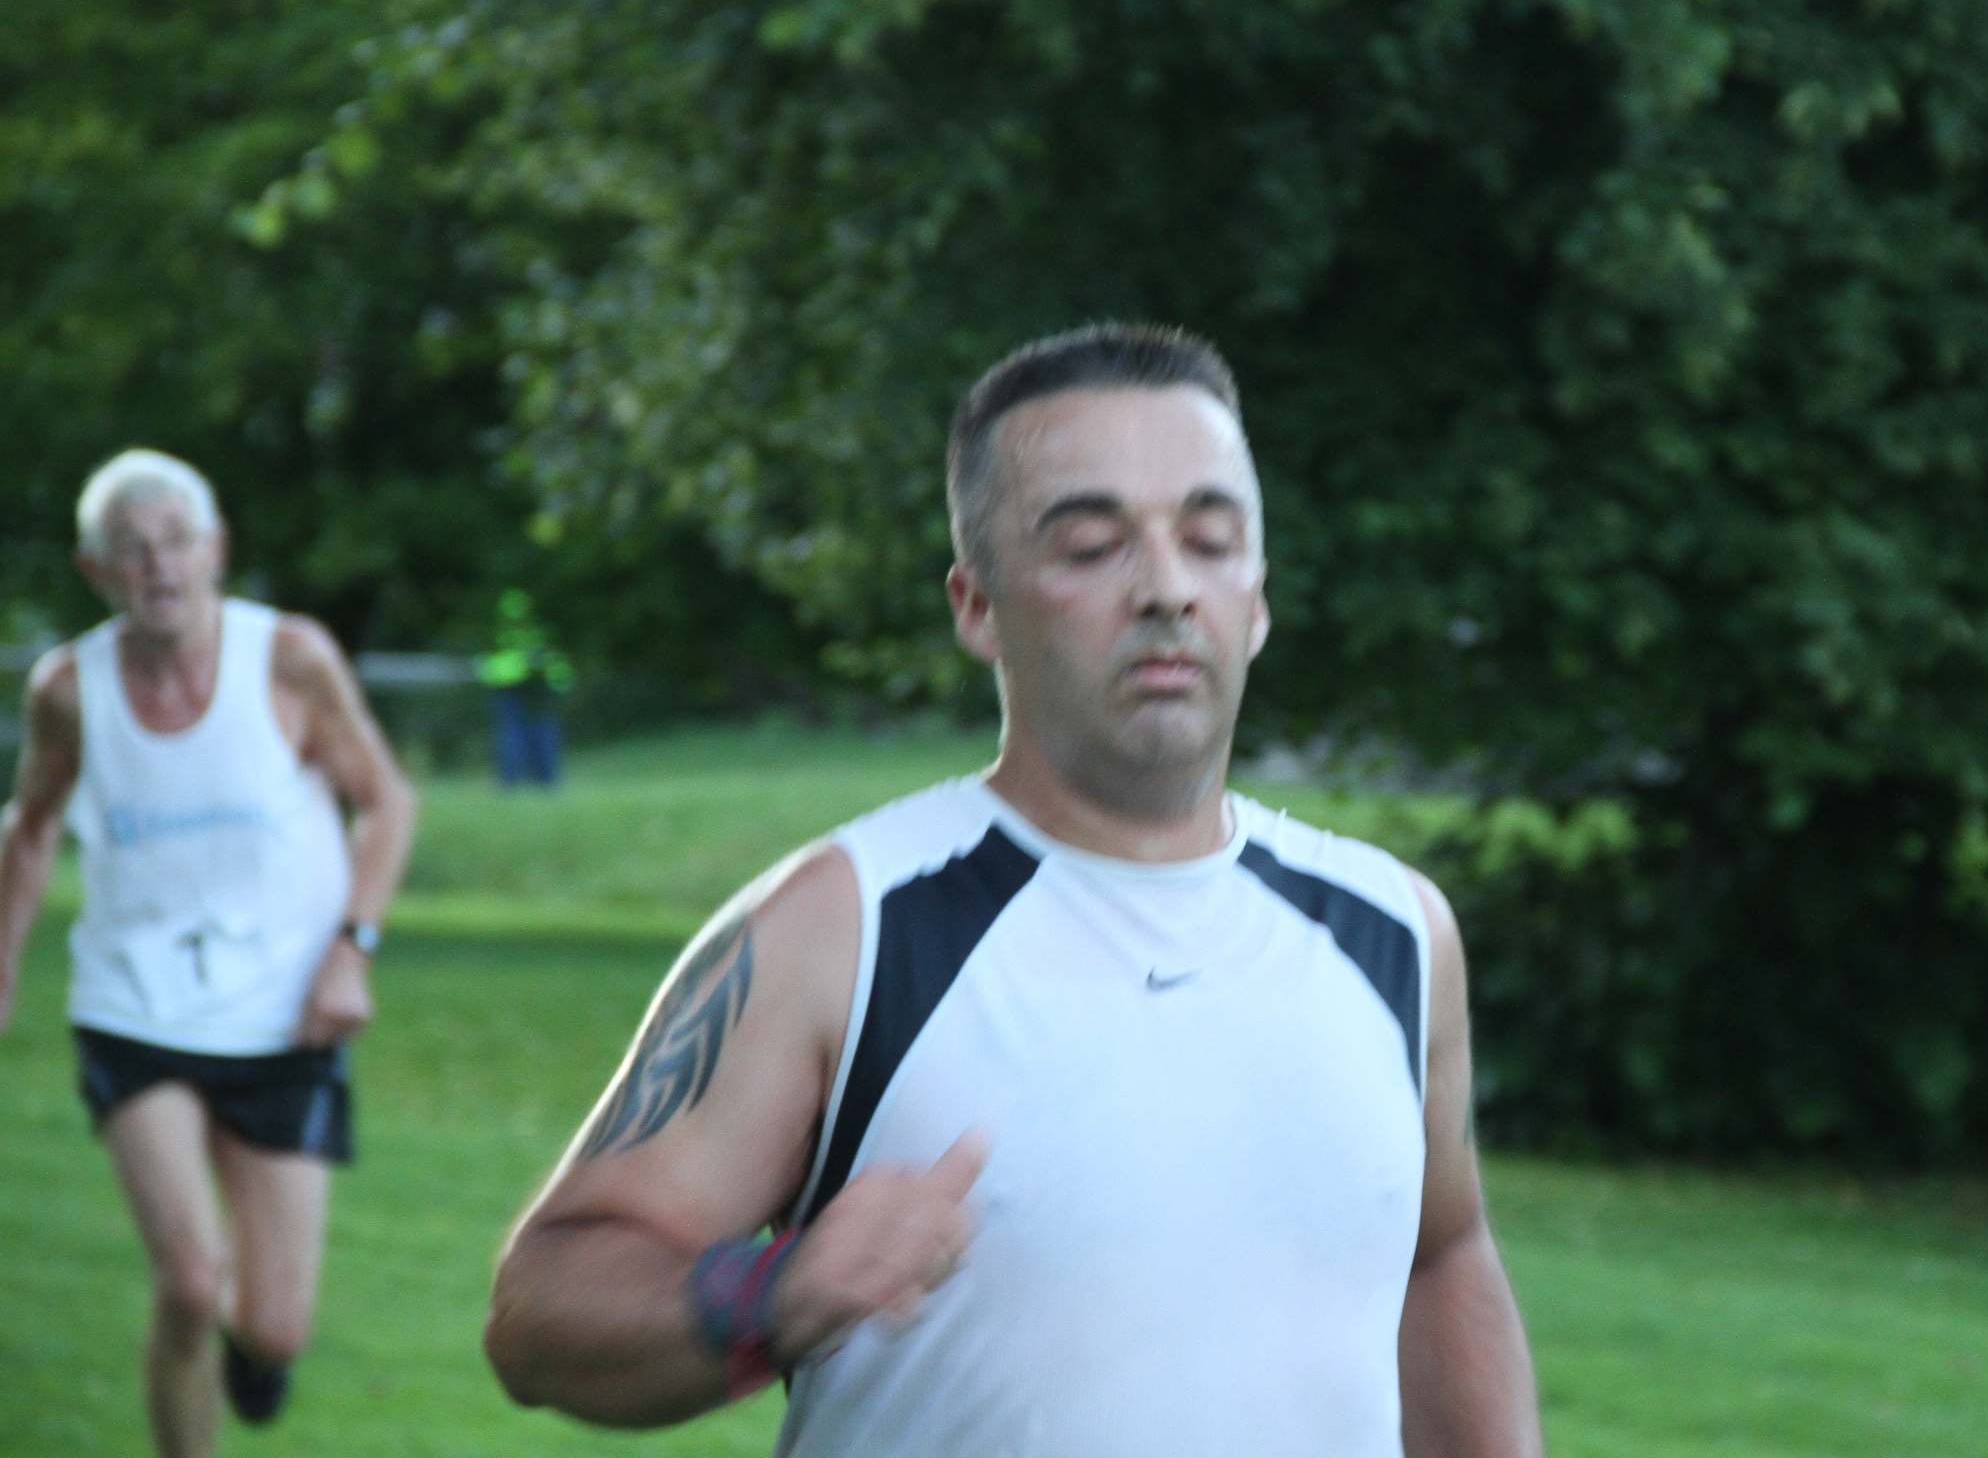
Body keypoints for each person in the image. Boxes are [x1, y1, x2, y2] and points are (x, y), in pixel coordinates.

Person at [484, 325, 1543, 1456]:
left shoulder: (1395, 932)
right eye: (1091, 546)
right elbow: (543, 1309)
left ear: (1260, 596)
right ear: (977, 606)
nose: (1166, 589)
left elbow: (1441, 1255)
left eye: (1209, 539)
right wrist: (775, 1293)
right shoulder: (848, 929)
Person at [0, 449, 418, 1458]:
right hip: (133, 1006)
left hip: (285, 1013)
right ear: (96, 569)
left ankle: (255, 1351)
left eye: (177, 540)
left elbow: (387, 801)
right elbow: (32, 827)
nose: (159, 565)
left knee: (275, 1327)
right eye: (132, 548)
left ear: (216, 548)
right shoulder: (69, 691)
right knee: (190, 1280)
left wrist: (353, 949)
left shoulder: (290, 659)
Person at [478, 588, 575, 788]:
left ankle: (515, 782)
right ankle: (543, 781)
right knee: (533, 733)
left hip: (515, 686)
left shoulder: (499, 631)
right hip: (529, 686)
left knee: (517, 734)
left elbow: (486, 664)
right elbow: (554, 660)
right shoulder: (538, 629)